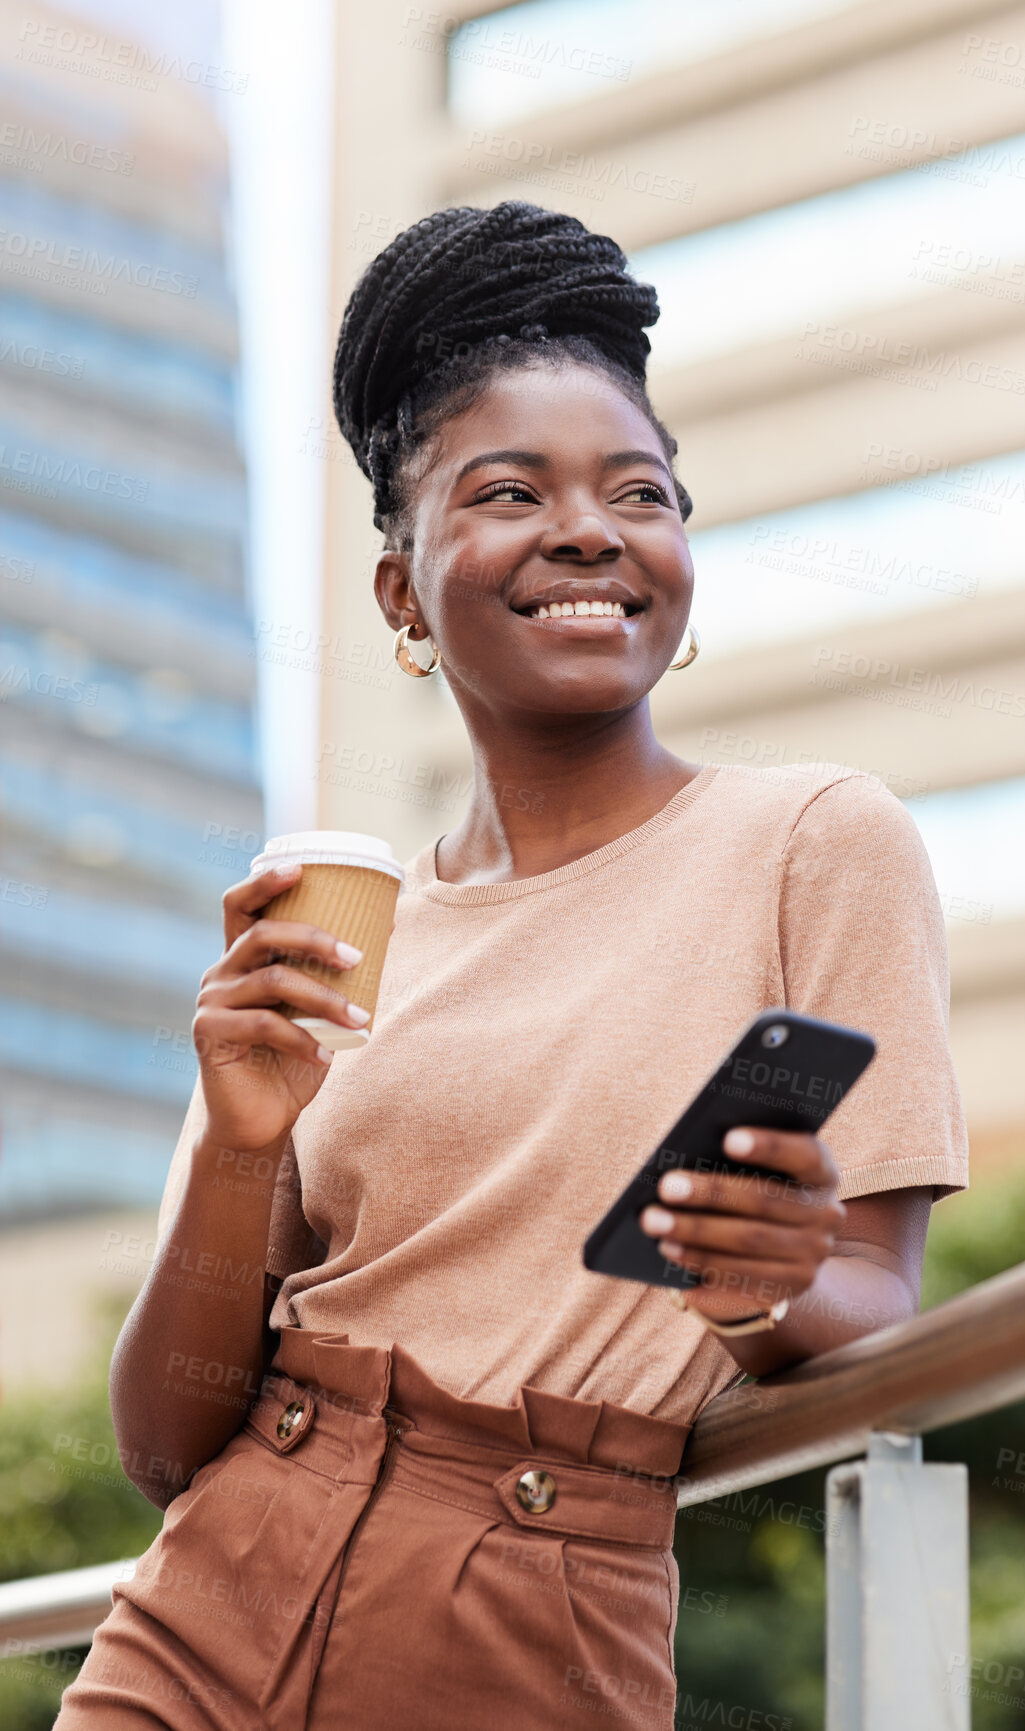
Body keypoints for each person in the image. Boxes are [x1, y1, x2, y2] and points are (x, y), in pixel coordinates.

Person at [57, 201, 966, 1731]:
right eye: (506, 491)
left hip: (532, 1617)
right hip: (198, 1621)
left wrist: (773, 1283)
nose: (591, 528)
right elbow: (163, 1447)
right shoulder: (336, 932)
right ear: (402, 592)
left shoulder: (817, 839)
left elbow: (883, 1306)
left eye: (641, 491)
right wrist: (239, 1140)